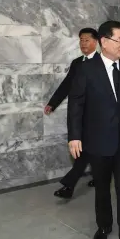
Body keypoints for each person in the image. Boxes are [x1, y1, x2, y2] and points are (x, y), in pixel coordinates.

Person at [68, 20, 120, 239]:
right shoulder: (85, 69)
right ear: (104, 41)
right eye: (119, 40)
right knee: (102, 188)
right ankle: (104, 225)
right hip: (97, 141)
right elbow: (76, 104)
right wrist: (74, 136)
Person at [45, 28, 99, 199]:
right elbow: (67, 84)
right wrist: (53, 103)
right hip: (79, 116)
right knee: (84, 150)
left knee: (86, 152)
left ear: (96, 42)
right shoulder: (77, 63)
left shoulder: (102, 62)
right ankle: (98, 177)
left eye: (87, 40)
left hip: (97, 116)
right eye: (81, 40)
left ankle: (69, 185)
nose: (83, 43)